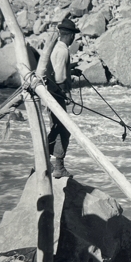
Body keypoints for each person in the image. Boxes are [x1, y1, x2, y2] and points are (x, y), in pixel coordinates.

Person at [43, 17, 80, 178]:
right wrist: (67, 93)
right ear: (70, 35)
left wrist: (71, 69)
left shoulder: (56, 47)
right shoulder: (64, 50)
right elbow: (59, 78)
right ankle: (58, 166)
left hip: (49, 93)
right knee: (63, 130)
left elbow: (55, 68)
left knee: (57, 128)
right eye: (73, 36)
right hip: (56, 95)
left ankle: (45, 160)